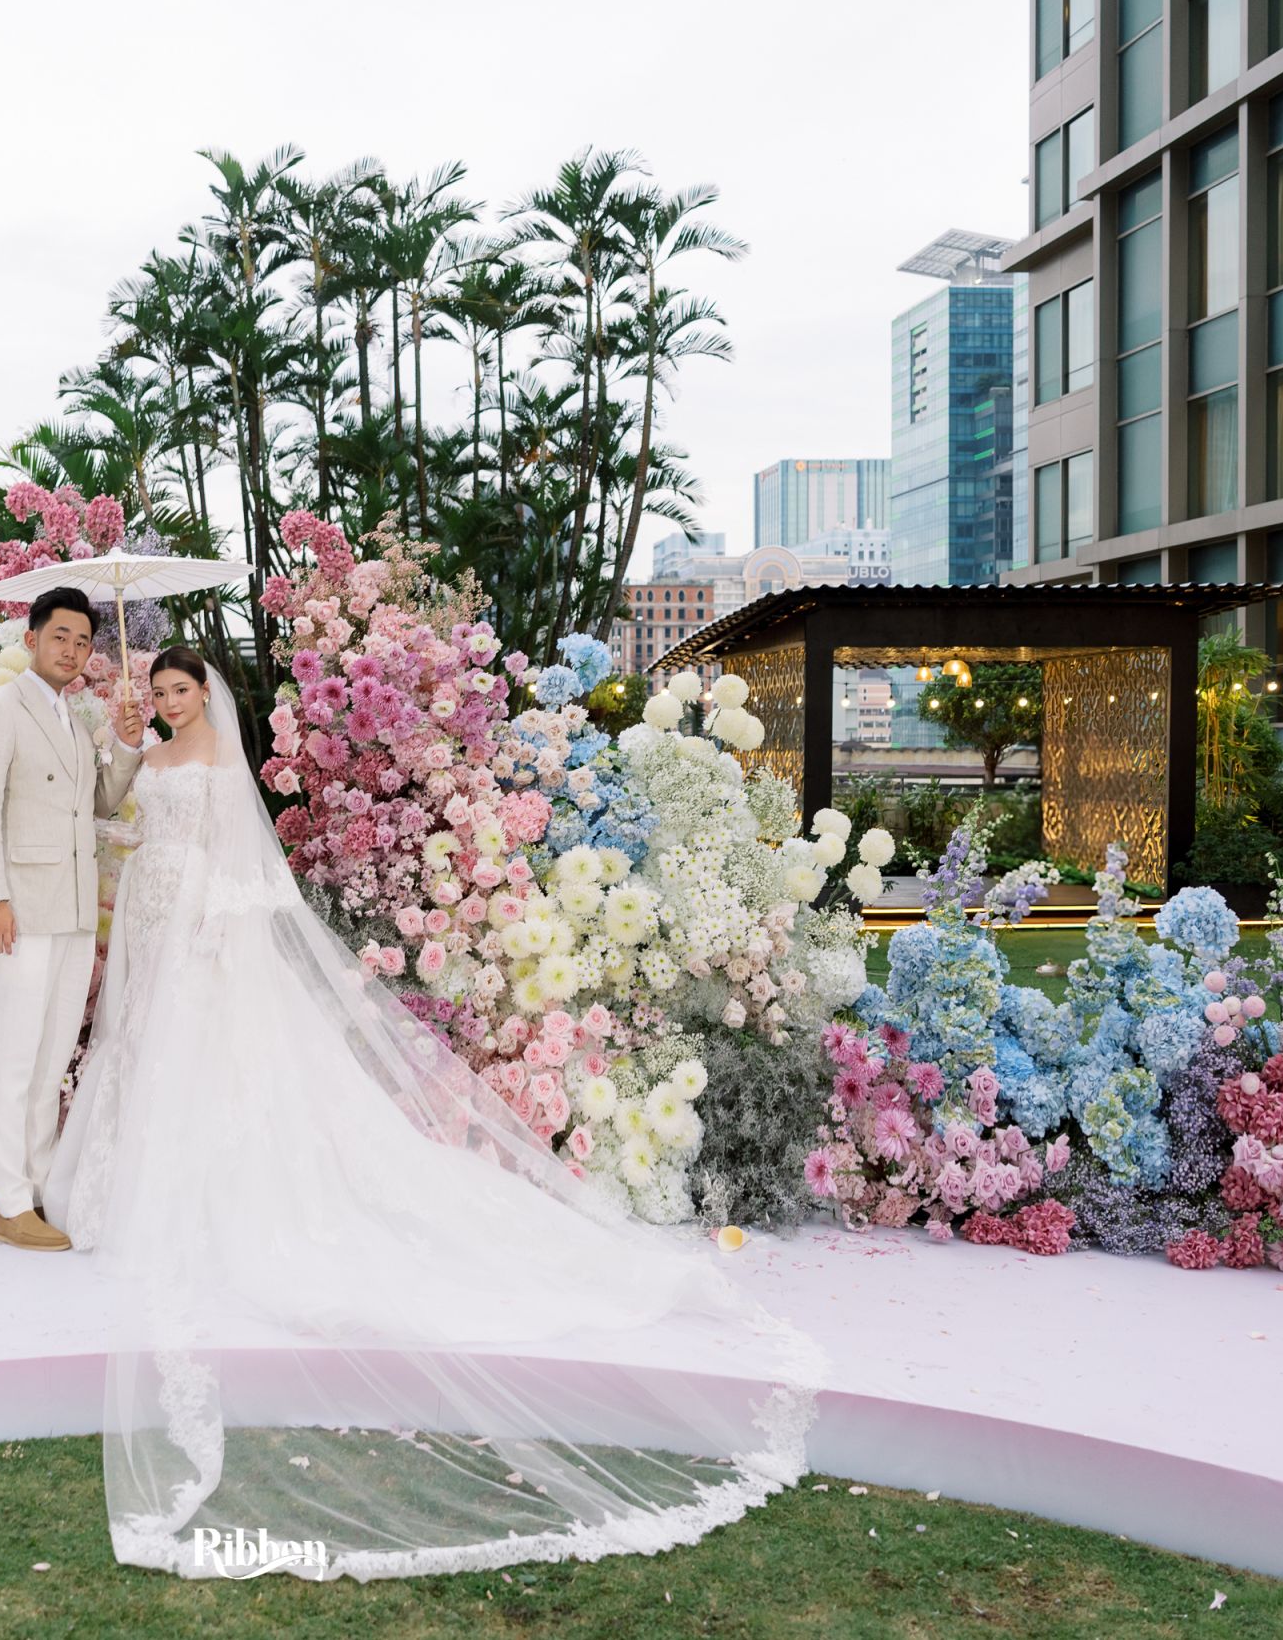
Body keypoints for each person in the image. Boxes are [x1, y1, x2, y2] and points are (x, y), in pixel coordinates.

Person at [41, 646, 825, 1583]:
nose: (170, 703)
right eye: (160, 692)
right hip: (152, 925)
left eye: (181, 690)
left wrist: (206, 926)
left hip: (209, 938)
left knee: (226, 1076)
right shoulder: (157, 757)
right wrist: (129, 794)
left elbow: (236, 861)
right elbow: (121, 820)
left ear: (206, 693)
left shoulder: (218, 761)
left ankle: (222, 1197)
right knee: (148, 1059)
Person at [0, 587, 144, 1252]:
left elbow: (98, 801)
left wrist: (122, 747)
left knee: (52, 1054)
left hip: (72, 909)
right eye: (60, 636)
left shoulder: (73, 714)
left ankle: (32, 1188)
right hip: (21, 910)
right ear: (30, 639)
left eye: (83, 641)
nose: (72, 650)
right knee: (13, 1053)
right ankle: (7, 1202)